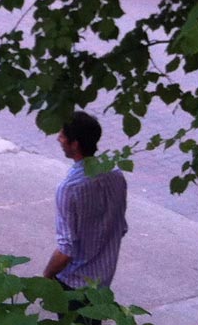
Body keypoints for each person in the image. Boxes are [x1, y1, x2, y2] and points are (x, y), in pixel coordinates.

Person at [43, 111, 129, 303]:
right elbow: (120, 226)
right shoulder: (115, 174)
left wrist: (46, 276)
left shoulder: (69, 189)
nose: (58, 138)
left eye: (63, 135)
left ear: (75, 144)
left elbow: (66, 250)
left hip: (73, 283)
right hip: (103, 280)